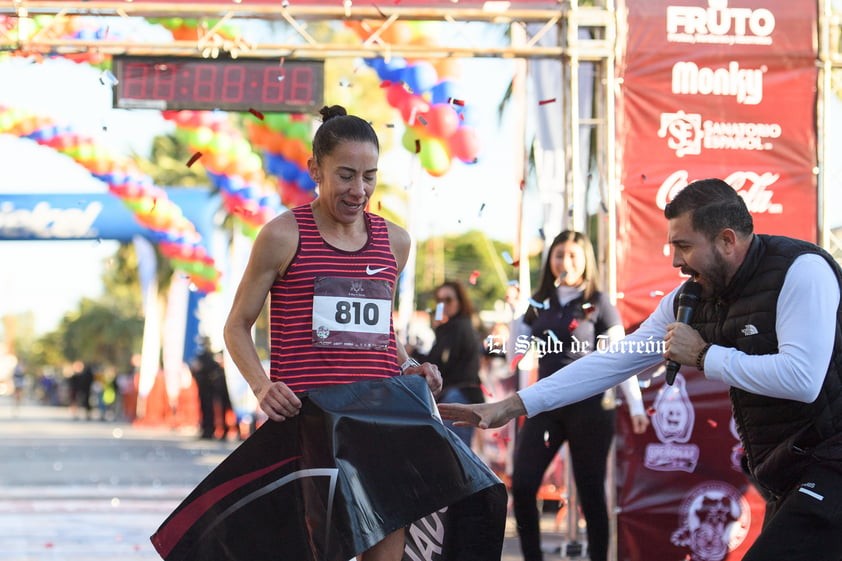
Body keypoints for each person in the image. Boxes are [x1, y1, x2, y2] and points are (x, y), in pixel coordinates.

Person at [440, 178, 842, 560]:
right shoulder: (692, 297)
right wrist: (511, 405)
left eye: (683, 246)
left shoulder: (801, 271)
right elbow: (613, 360)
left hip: (830, 459)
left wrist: (703, 356)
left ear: (726, 240)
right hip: (786, 470)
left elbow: (802, 379)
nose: (675, 261)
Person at [223, 105, 443, 561]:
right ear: (315, 171)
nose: (358, 190)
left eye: (369, 176)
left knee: (386, 553)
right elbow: (236, 326)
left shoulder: (396, 242)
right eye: (345, 175)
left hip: (381, 424)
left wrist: (409, 366)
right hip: (312, 426)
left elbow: (380, 330)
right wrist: (261, 385)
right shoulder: (284, 236)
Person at [509, 230, 648, 561]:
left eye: (573, 255)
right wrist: (515, 313)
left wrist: (636, 405)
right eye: (559, 255)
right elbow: (514, 356)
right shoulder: (538, 302)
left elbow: (621, 359)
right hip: (546, 404)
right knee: (524, 485)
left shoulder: (599, 302)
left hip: (591, 408)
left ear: (586, 260)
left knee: (590, 494)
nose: (565, 262)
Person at [413, 280, 485, 448]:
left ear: (460, 301)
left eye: (448, 300)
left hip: (458, 397)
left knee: (453, 453)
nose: (443, 304)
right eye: (439, 300)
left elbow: (438, 363)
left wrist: (414, 354)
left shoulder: (457, 327)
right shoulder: (459, 325)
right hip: (461, 396)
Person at [189, 338, 232, 440]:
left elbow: (211, 369)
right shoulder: (202, 356)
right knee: (206, 409)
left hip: (213, 387)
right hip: (204, 387)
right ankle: (208, 430)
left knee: (218, 409)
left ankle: (218, 430)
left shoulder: (212, 357)